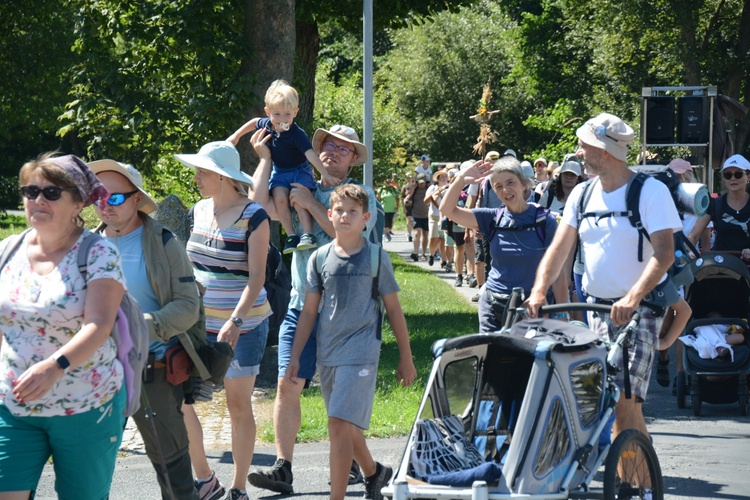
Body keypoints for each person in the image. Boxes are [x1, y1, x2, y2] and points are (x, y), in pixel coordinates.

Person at [526, 113, 682, 446]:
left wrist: (633, 297)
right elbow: (558, 250)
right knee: (613, 406)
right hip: (596, 310)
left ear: (604, 150)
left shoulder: (650, 192)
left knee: (624, 402)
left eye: (584, 145)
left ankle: (630, 485)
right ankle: (641, 472)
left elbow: (665, 254)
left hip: (639, 311)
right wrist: (539, 291)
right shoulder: (582, 194)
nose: (579, 152)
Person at [246, 124, 377, 495]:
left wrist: (310, 204)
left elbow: (348, 238)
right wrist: (266, 160)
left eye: (343, 148)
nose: (333, 152)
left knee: (338, 396)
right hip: (300, 306)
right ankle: (282, 468)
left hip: (344, 315)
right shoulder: (298, 187)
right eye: (328, 146)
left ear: (354, 159)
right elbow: (257, 204)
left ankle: (357, 465)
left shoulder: (362, 196)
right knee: (288, 385)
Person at [0, 153, 126, 499]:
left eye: (51, 193)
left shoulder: (98, 253)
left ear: (78, 203)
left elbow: (99, 325)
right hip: (14, 404)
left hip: (86, 404)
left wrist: (54, 367)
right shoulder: (7, 250)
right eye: (30, 191)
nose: (37, 200)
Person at [286, 183, 417, 500]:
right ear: (329, 215)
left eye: (353, 212)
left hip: (362, 352)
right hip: (328, 353)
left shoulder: (375, 258)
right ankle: (374, 473)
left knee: (337, 425)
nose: (345, 216)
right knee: (345, 426)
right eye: (339, 211)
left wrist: (406, 357)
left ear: (366, 218)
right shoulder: (319, 259)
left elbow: (394, 310)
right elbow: (309, 312)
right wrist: (294, 355)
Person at [90, 159, 205, 500]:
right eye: (97, 195)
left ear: (137, 199)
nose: (103, 204)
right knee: (90, 468)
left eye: (114, 198)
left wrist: (141, 327)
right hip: (96, 373)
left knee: (173, 471)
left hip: (151, 370)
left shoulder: (163, 242)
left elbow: (188, 306)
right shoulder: (85, 245)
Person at [174, 141, 272, 500]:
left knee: (237, 404)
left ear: (222, 177)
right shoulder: (198, 210)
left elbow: (257, 278)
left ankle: (238, 486)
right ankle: (205, 478)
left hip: (242, 325)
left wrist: (236, 320)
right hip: (196, 324)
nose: (196, 177)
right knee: (180, 401)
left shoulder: (255, 216)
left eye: (202, 171)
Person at [440, 155, 568, 333]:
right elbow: (447, 210)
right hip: (494, 305)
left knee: (528, 360)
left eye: (510, 182)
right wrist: (461, 179)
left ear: (523, 184)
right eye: (498, 186)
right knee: (492, 359)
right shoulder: (491, 218)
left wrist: (562, 314)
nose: (505, 190)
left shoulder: (543, 220)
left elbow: (558, 269)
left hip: (533, 307)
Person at [227, 80, 335, 254]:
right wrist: (235, 136)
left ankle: (308, 234)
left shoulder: (297, 134)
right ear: (268, 112)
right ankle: (291, 235)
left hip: (300, 170)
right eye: (277, 114)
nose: (283, 119)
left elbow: (309, 154)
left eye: (287, 114)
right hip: (280, 171)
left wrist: (323, 172)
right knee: (280, 198)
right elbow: (254, 122)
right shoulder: (267, 125)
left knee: (298, 200)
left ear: (295, 112)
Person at [688, 154, 750, 256]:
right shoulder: (714, 204)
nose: (733, 178)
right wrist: (685, 252)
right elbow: (694, 236)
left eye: (738, 174)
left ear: (748, 176)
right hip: (721, 265)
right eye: (728, 175)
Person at [425, 169, 449, 266]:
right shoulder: (432, 188)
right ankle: (431, 254)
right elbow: (426, 201)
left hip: (445, 216)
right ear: (437, 179)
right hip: (434, 216)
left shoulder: (449, 188)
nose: (443, 179)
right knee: (434, 238)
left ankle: (443, 260)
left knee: (443, 239)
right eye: (441, 177)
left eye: (445, 176)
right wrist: (436, 191)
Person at [406, 173, 430, 261]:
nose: (421, 184)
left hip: (427, 215)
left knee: (425, 235)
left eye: (423, 183)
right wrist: (412, 188)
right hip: (416, 215)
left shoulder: (428, 189)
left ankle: (423, 254)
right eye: (420, 183)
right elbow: (406, 199)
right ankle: (416, 253)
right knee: (417, 233)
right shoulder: (414, 189)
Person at [377, 176, 399, 242]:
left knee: (390, 225)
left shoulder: (394, 189)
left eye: (389, 182)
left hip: (391, 209)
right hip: (384, 209)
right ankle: (386, 236)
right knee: (385, 224)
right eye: (386, 182)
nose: (388, 183)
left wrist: (397, 207)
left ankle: (386, 233)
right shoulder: (381, 189)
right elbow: (378, 199)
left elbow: (397, 198)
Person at [401, 176, 415, 242]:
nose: (409, 179)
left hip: (415, 205)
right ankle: (409, 234)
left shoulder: (415, 186)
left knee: (413, 220)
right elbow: (402, 198)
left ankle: (411, 232)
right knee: (409, 219)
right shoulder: (404, 187)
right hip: (408, 206)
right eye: (408, 178)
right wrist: (404, 208)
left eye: (410, 178)